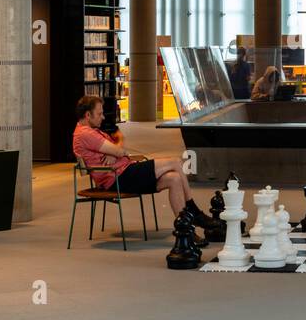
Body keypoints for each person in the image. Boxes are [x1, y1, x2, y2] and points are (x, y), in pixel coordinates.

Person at [72, 95, 217, 228]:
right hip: (119, 178)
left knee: (175, 178)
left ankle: (185, 228)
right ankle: (194, 211)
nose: (103, 117)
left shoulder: (91, 131)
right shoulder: (86, 134)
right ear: (88, 115)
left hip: (124, 173)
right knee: (175, 162)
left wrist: (114, 152)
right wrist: (116, 152)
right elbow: (120, 150)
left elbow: (119, 143)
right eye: (99, 114)